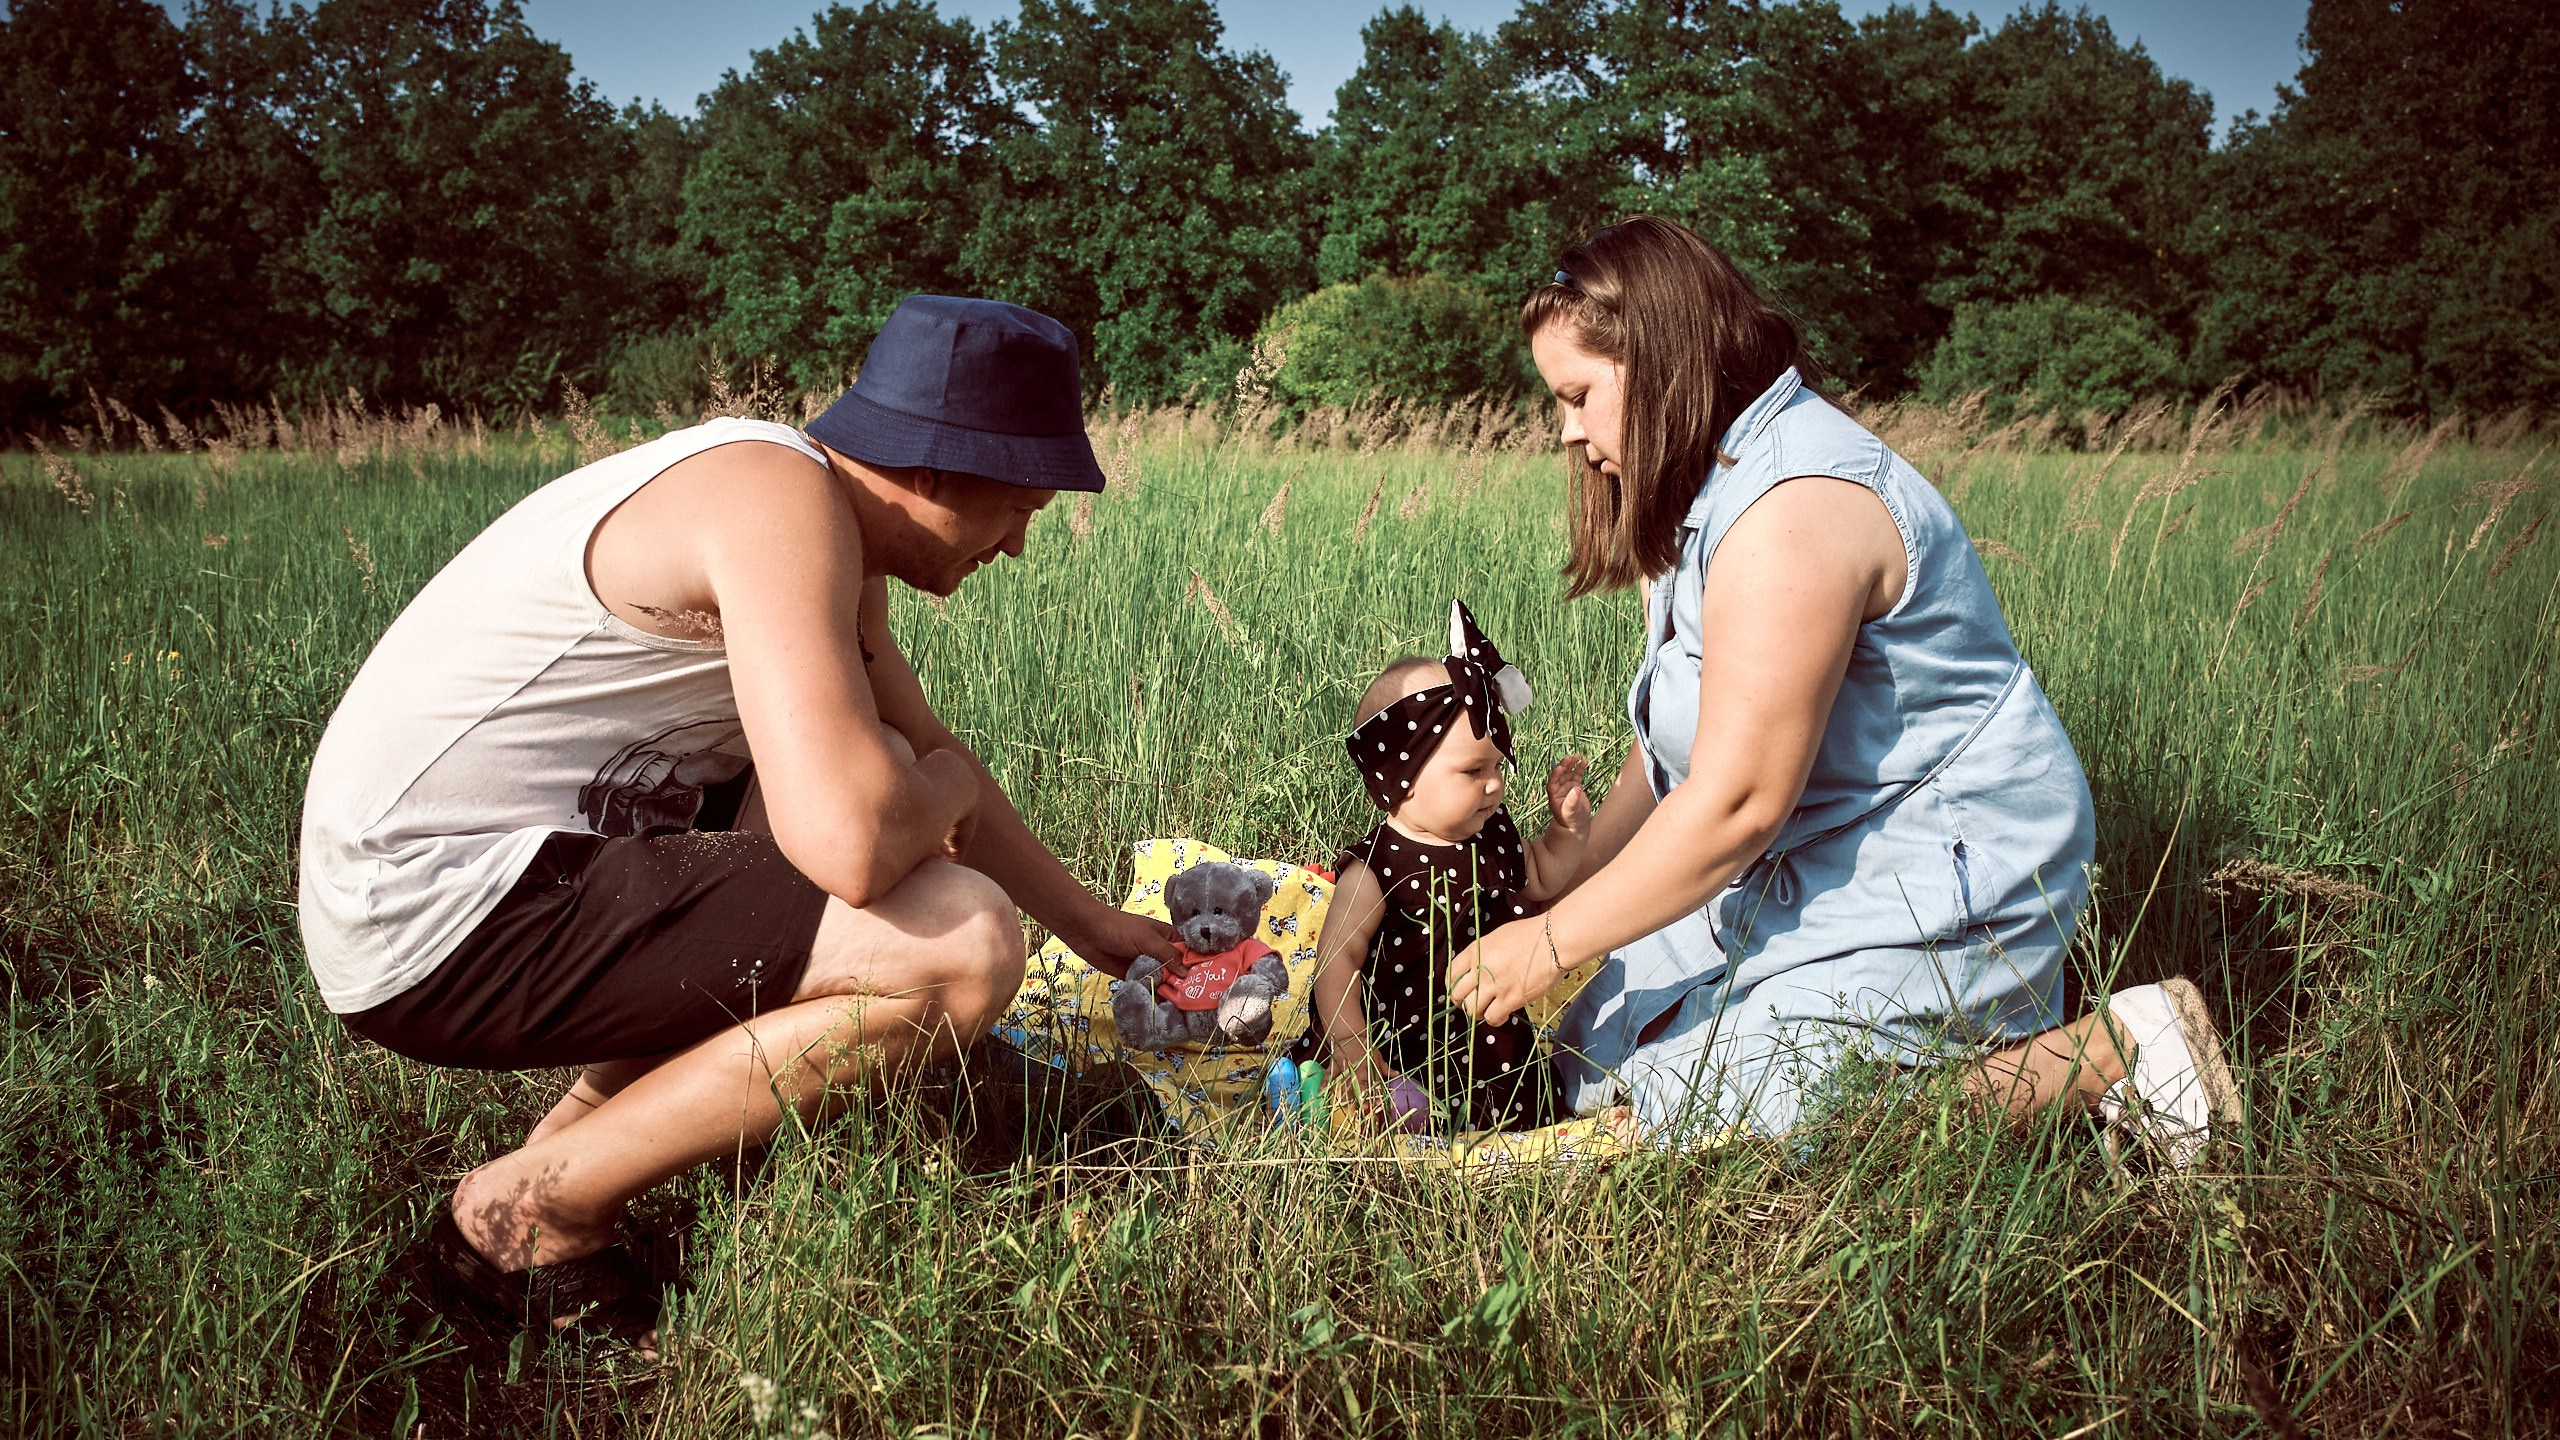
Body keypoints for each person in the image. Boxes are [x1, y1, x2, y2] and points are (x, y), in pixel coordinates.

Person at [297, 295, 1180, 1349]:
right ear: (937, 472)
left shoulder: (806, 514)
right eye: (1021, 510)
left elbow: (917, 764)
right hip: (433, 909)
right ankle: (531, 1215)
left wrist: (1092, 927)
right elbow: (852, 846)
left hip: (490, 881)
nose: (1021, 546)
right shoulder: (773, 498)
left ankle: (564, 1153)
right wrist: (935, 788)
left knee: (864, 767)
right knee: (961, 942)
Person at [1439, 217, 2241, 1158]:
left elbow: (1738, 800)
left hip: (1937, 862)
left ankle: (2124, 1047)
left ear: (1660, 363)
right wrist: (1565, 875)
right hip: (1813, 854)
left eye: (1578, 396)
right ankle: (1963, 1033)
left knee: (1753, 1129)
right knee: (1593, 1067)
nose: (1568, 433)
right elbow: (1681, 748)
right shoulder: (1704, 490)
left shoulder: (1793, 509)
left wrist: (1552, 941)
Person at [1308, 601, 1591, 1134]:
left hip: (1486, 1031)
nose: (1494, 785)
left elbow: (1545, 875)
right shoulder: (1376, 869)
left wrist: (1568, 830)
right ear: (1402, 777)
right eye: (1472, 771)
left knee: (1521, 1099)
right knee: (1386, 1113)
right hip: (1392, 1039)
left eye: (1496, 767)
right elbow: (1336, 962)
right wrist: (1352, 1048)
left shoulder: (1491, 835)